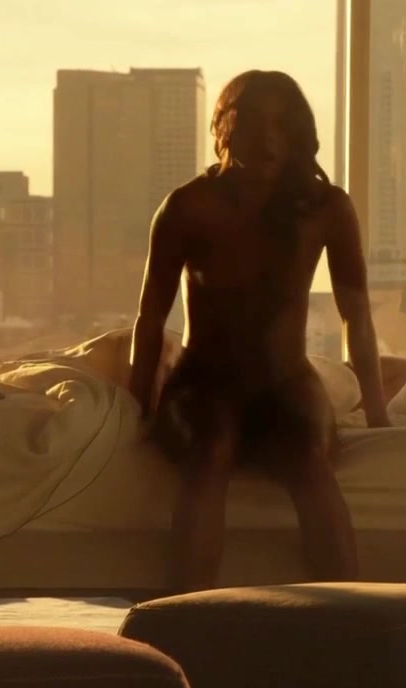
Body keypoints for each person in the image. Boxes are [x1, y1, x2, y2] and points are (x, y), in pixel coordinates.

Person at [128, 69, 390, 593]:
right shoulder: (188, 206)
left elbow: (356, 316)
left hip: (286, 382)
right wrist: (135, 412)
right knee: (211, 452)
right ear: (225, 127)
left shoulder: (326, 209)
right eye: (253, 122)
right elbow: (150, 318)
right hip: (203, 385)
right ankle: (185, 620)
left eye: (282, 124)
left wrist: (379, 414)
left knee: (307, 462)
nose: (269, 138)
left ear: (298, 134)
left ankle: (354, 622)